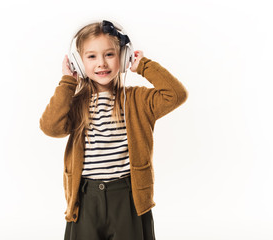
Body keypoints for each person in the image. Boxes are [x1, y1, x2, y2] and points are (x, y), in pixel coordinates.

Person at [39, 20, 188, 240]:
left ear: (124, 56)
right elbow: (51, 127)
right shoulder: (75, 104)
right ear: (78, 63)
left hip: (128, 198)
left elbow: (176, 94)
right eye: (91, 57)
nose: (101, 63)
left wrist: (144, 66)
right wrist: (67, 83)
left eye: (109, 54)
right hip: (85, 199)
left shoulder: (138, 100)